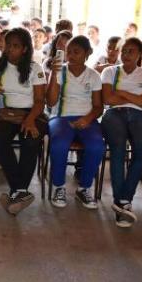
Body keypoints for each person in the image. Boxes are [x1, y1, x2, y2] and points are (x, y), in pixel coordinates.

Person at [101, 37, 142, 228]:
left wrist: (123, 94)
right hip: (113, 114)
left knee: (141, 153)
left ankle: (123, 200)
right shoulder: (110, 72)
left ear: (140, 54)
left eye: (130, 51)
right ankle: (122, 201)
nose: (125, 55)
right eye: (123, 51)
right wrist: (137, 97)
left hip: (139, 115)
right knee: (118, 150)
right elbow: (107, 98)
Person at [0, 28, 47, 215]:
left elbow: (40, 101)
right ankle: (20, 191)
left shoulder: (35, 69)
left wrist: (30, 120)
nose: (9, 49)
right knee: (0, 138)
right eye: (7, 45)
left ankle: (17, 191)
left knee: (30, 138)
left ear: (24, 49)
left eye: (15, 46)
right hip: (8, 114)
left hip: (33, 113)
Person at [46, 35, 104, 209]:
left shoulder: (93, 76)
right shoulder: (59, 71)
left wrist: (87, 119)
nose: (71, 55)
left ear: (87, 53)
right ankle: (59, 186)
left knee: (97, 146)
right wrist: (54, 75)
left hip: (87, 119)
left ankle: (84, 188)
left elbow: (98, 106)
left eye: (76, 52)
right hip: (61, 117)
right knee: (59, 144)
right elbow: (50, 101)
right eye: (68, 51)